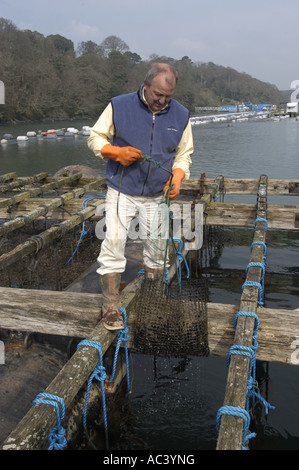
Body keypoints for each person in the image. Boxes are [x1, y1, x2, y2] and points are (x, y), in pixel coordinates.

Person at [88, 62, 193, 330]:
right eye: (157, 94)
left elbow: (184, 153)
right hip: (122, 189)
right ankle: (111, 306)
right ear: (145, 85)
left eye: (167, 96)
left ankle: (154, 299)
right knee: (113, 241)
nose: (161, 100)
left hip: (158, 193)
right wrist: (115, 152)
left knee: (157, 249)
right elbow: (95, 137)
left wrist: (178, 176)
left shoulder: (181, 115)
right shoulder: (119, 105)